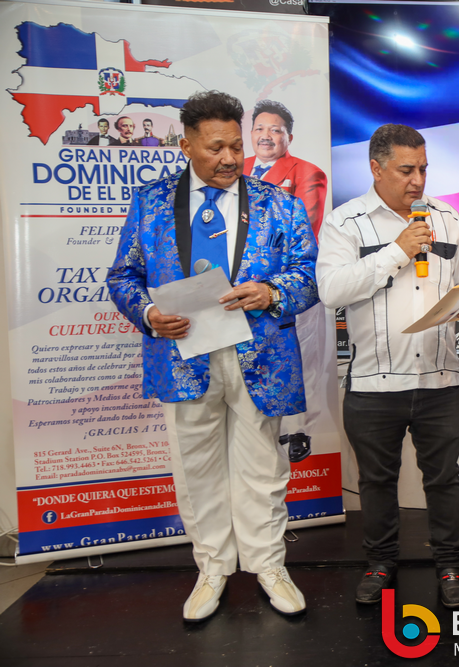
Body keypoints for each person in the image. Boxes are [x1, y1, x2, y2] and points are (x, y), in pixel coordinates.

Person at [107, 90, 319, 622]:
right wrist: (148, 313)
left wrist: (271, 292)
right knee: (196, 468)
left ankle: (269, 566)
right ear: (186, 146)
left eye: (235, 147)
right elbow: (124, 275)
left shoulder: (281, 203)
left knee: (263, 468)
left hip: (261, 357)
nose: (229, 158)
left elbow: (309, 274)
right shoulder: (151, 202)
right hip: (183, 358)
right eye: (215, 148)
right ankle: (212, 569)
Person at [316, 124, 459, 609]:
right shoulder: (345, 223)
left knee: (444, 479)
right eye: (406, 170)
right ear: (376, 168)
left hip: (441, 378)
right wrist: (398, 250)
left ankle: (451, 565)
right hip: (372, 384)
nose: (418, 180)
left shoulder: (447, 218)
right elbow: (331, 291)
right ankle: (379, 563)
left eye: (423, 169)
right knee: (376, 482)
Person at [244, 99, 327, 235]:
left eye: (275, 130)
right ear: (251, 133)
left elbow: (302, 231)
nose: (265, 136)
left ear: (290, 138)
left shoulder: (309, 173)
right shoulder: (236, 168)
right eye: (259, 129)